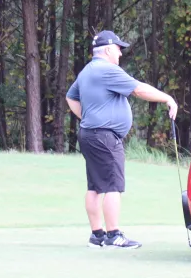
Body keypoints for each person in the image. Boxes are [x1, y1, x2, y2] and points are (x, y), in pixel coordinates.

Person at [65, 31, 177, 249]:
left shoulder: (87, 71)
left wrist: (88, 116)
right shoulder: (107, 70)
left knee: (95, 186)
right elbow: (138, 89)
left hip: (90, 134)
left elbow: (71, 97)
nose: (120, 54)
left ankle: (97, 236)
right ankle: (113, 235)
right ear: (107, 50)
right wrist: (167, 98)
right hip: (104, 136)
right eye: (118, 49)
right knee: (113, 186)